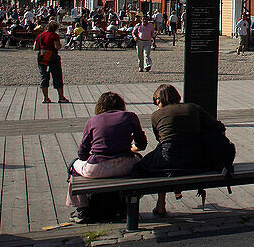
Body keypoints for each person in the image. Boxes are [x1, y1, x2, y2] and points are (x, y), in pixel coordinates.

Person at [135, 84, 222, 217]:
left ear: (160, 99)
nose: (155, 104)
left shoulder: (156, 115)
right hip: (196, 158)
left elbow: (160, 140)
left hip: (170, 159)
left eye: (155, 100)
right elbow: (218, 127)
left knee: (146, 166)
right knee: (166, 162)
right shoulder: (193, 108)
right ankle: (170, 195)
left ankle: (157, 204)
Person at [66, 92, 147, 223]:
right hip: (125, 165)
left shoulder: (93, 121)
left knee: (73, 166)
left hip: (98, 168)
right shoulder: (130, 117)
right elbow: (142, 144)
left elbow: (82, 153)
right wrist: (130, 148)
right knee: (141, 162)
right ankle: (127, 204)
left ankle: (83, 209)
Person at [35, 21, 70, 103]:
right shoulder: (54, 35)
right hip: (52, 57)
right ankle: (61, 97)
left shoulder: (40, 36)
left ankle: (45, 97)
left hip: (42, 57)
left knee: (44, 77)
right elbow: (57, 46)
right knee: (57, 76)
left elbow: (35, 47)